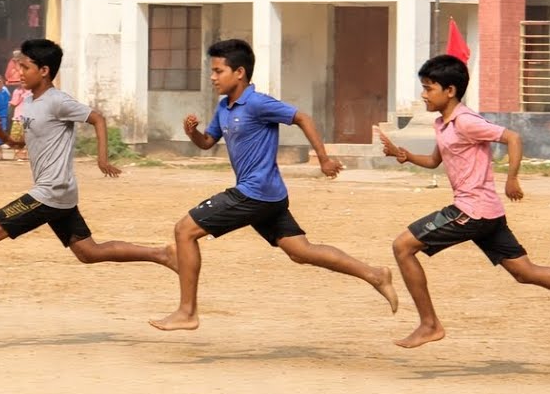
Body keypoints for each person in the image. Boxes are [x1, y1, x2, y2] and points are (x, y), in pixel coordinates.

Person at [0, 38, 176, 336]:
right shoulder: (29, 101)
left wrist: (102, 159)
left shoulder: (57, 101)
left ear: (44, 70)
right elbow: (28, 143)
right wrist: (4, 135)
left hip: (50, 192)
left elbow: (97, 118)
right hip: (58, 193)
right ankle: (162, 255)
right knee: (88, 252)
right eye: (19, 65)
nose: (18, 70)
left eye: (25, 66)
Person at [149, 39, 398, 332]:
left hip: (254, 194)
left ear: (239, 72)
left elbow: (302, 117)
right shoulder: (224, 107)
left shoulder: (257, 103)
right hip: (269, 197)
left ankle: (187, 311)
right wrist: (192, 133)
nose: (213, 77)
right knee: (300, 251)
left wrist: (323, 159)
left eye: (218, 71)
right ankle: (376, 275)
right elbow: (206, 143)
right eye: (212, 71)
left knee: (184, 230)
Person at [380, 54, 550, 348]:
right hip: (487, 214)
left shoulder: (466, 121)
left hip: (471, 212)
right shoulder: (442, 124)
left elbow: (513, 137)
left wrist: (512, 178)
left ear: (450, 91)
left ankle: (429, 324)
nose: (423, 95)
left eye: (429, 88)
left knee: (403, 246)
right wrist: (404, 156)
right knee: (525, 272)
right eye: (423, 87)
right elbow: (435, 161)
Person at [9, 82, 32, 161]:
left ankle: (24, 153)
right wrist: (20, 96)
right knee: (16, 135)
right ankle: (17, 153)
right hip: (18, 114)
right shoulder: (16, 91)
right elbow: (14, 103)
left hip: (28, 115)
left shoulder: (31, 91)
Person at [0, 75, 12, 160]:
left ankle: (1, 153)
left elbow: (9, 101)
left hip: (4, 114)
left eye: (0, 82)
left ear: (3, 82)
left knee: (3, 131)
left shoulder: (5, 90)